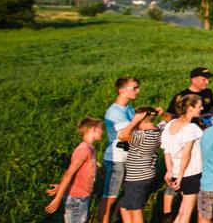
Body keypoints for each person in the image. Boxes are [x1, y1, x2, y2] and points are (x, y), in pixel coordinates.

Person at [45, 117, 104, 223]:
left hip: (83, 196)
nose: (102, 131)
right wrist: (57, 199)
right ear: (93, 129)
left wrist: (60, 186)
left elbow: (78, 175)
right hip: (76, 199)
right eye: (101, 128)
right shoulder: (83, 150)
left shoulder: (90, 149)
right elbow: (69, 174)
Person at [102, 76, 141, 223]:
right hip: (116, 159)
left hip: (127, 156)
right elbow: (125, 135)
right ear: (122, 91)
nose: (138, 91)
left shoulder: (128, 107)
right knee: (110, 197)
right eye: (134, 88)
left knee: (127, 194)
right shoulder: (114, 113)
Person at [160, 94, 204, 223]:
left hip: (175, 172)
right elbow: (187, 154)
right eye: (199, 106)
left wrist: (169, 171)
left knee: (182, 211)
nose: (201, 108)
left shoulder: (171, 124)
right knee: (186, 213)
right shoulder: (191, 128)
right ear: (190, 108)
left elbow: (166, 151)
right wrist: (180, 176)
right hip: (190, 173)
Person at [117, 106, 165, 223]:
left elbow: (122, 136)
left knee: (135, 209)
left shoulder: (141, 136)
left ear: (141, 119)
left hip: (136, 177)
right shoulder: (158, 131)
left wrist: (135, 121)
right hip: (146, 174)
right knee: (124, 206)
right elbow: (166, 122)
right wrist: (160, 114)